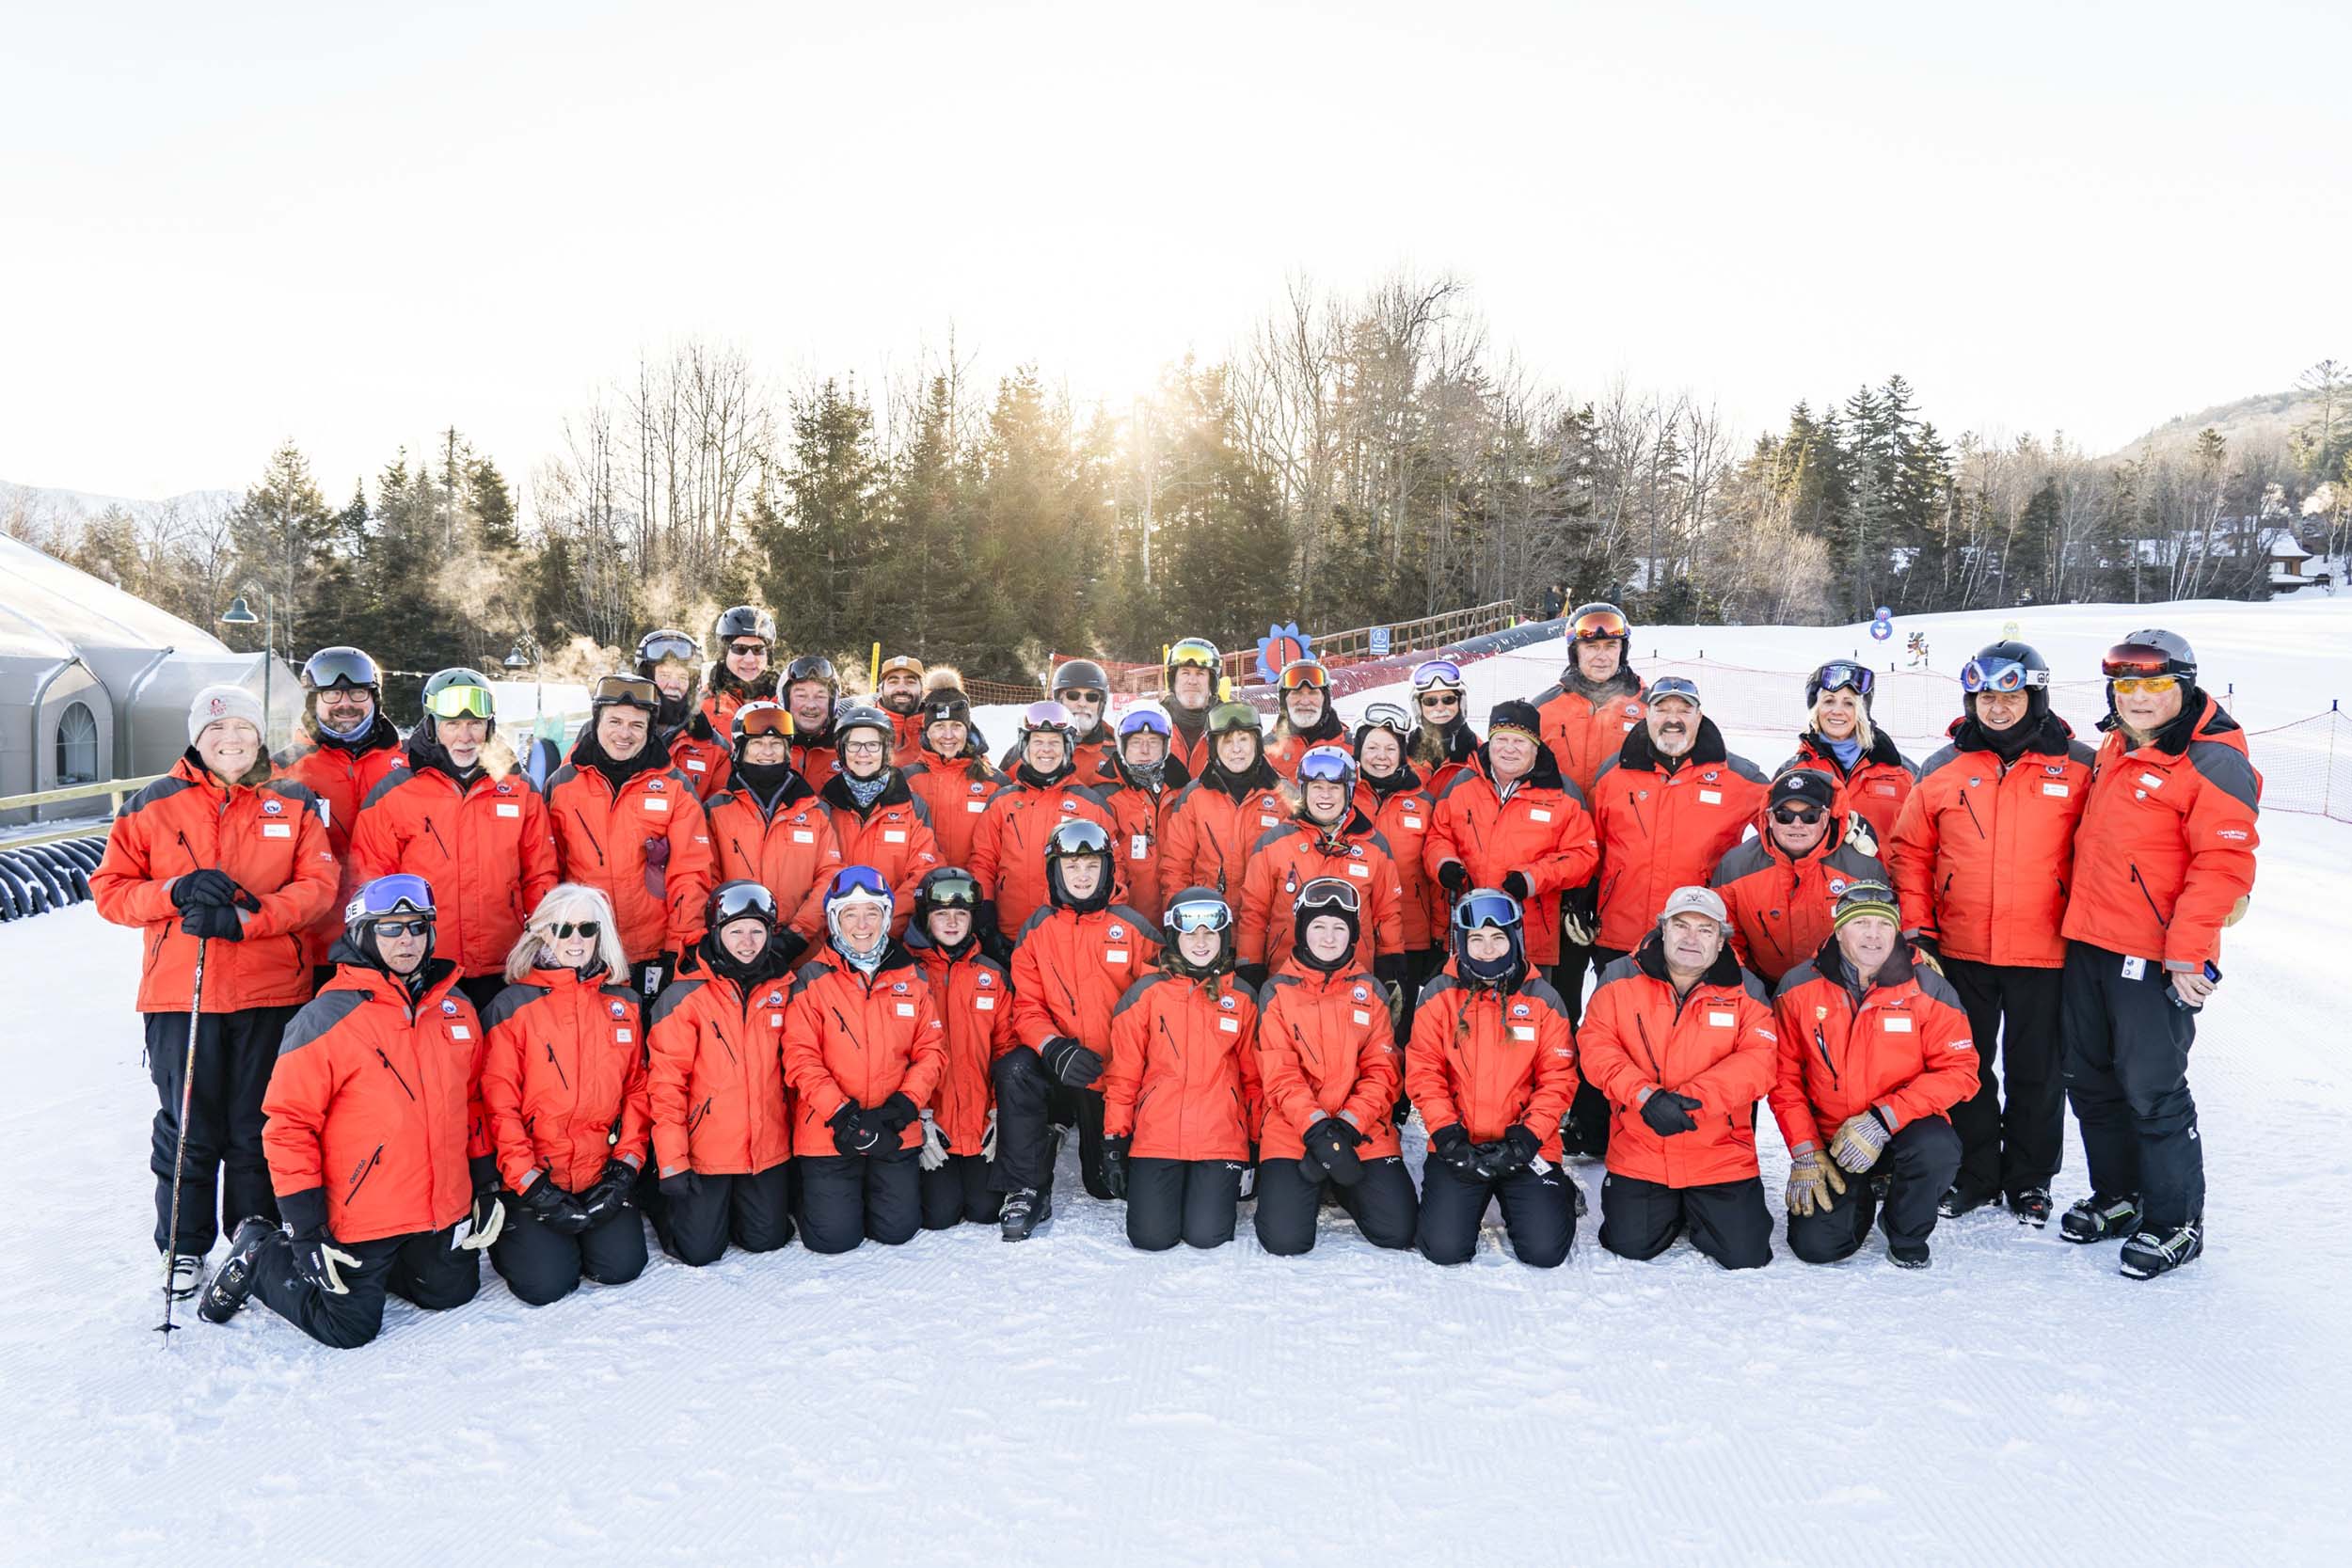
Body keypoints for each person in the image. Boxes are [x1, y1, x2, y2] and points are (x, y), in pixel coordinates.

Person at [93, 683, 338, 1296]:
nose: (230, 742)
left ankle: (252, 1237)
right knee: (188, 1127)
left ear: (259, 736)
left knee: (257, 1126)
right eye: (216, 732)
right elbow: (110, 890)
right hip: (184, 995)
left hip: (271, 991)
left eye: (243, 731)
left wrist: (246, 919)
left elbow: (318, 887)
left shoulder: (294, 800)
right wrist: (171, 894)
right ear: (197, 738)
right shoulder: (154, 803)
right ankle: (182, 1243)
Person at [193, 875, 488, 1345]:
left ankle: (389, 1264)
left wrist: (484, 1181)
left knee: (451, 1293)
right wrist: (306, 1228)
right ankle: (260, 1252)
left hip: (435, 1206)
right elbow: (289, 1127)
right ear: (364, 935)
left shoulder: (454, 1008)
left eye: (417, 927)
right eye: (390, 928)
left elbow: (472, 1102)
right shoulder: (325, 1018)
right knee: (348, 1328)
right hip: (359, 1212)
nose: (406, 939)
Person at [2055, 629, 2259, 1277]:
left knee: (2151, 1089)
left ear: (2185, 686)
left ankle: (2176, 1221)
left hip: (2153, 952)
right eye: (2126, 686)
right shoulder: (2118, 743)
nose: (2138, 698)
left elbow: (2224, 865)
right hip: (2089, 940)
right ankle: (2120, 1194)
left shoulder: (2212, 760)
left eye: (2153, 685)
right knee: (2090, 1080)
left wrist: (2187, 953)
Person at [1883, 640, 2091, 1225]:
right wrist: (1918, 930)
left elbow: (2105, 848)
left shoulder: (2079, 765)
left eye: (2011, 695)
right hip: (1960, 946)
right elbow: (1910, 852)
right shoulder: (1943, 767)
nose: (1997, 707)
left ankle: (2029, 1179)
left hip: (2045, 948)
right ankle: (1974, 1173)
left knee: (2038, 1072)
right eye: (1984, 697)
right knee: (1964, 1065)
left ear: (2036, 696)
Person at [1771, 880, 1977, 1269]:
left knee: (1937, 1146)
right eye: (1860, 923)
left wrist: (1883, 1119)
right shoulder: (1798, 987)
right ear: (1838, 930)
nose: (1872, 935)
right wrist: (1805, 1151)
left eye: (1883, 925)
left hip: (1903, 1127)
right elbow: (1783, 1079)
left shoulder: (1929, 988)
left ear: (1897, 930)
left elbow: (1961, 1070)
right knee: (1817, 1248)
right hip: (1835, 1139)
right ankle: (1860, 1195)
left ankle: (1905, 1231)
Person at [1578, 887, 1777, 1270]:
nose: (1690, 938)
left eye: (1705, 930)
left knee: (1744, 1255)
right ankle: (1671, 1209)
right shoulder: (1619, 976)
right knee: (1630, 1245)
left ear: (1721, 941)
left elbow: (1760, 1061)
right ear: (1662, 930)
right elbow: (1596, 1046)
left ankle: (1696, 1208)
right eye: (1681, 925)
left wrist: (1692, 1101)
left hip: (1719, 1151)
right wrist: (1645, 1097)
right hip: (1641, 1144)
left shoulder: (1747, 989)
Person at [348, 667, 560, 1013]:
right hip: (424, 964)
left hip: (502, 964)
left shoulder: (519, 789)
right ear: (432, 727)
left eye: (475, 724)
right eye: (452, 724)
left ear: (489, 727)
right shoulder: (394, 792)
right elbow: (371, 882)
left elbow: (541, 876)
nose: (466, 736)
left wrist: (543, 944)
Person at [477, 884, 650, 1306]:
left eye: (587, 928)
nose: (576, 939)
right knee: (546, 1286)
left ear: (600, 934)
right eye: (563, 928)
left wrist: (624, 1170)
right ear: (542, 932)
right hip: (536, 1176)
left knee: (621, 1268)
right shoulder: (511, 1006)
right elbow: (498, 1106)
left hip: (598, 1172)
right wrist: (532, 1186)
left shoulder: (623, 1004)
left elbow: (638, 1092)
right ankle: (524, 1232)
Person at [994, 819, 1162, 1239]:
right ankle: (1027, 1186)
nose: (1082, 876)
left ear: (1107, 870)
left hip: (1113, 1074)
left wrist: (1126, 1068)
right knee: (1015, 1068)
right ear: (1055, 871)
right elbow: (1027, 1007)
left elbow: (1159, 1011)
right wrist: (1053, 1048)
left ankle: (1072, 1132)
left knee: (1104, 1187)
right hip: (1061, 1060)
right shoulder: (1036, 930)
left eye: (1091, 866)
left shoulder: (1134, 929)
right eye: (1072, 867)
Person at [1406, 888, 1579, 1268]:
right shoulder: (1439, 995)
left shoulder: (1543, 999)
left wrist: (1528, 1139)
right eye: (1477, 939)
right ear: (1462, 942)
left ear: (1515, 939)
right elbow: (1424, 1071)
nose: (1488, 949)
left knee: (1544, 1252)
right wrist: (1448, 1136)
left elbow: (1559, 1079)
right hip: (1459, 1144)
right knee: (1443, 1249)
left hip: (1525, 1145)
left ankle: (1557, 1193)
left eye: (1498, 938)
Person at [781, 866, 949, 1253]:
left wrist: (903, 1107)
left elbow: (931, 1050)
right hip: (829, 1131)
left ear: (887, 917)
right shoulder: (811, 978)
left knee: (897, 1231)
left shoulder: (912, 978)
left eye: (872, 912)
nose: (862, 924)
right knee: (834, 1239)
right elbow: (800, 1056)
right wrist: (842, 1114)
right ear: (834, 920)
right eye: (850, 914)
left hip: (894, 1127)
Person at [1251, 878, 1416, 1255]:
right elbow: (1279, 1075)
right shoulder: (1276, 991)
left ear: (1353, 934)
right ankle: (1319, 1175)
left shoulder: (1370, 990)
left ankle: (1338, 1180)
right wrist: (1318, 1131)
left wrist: (1347, 1127)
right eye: (1319, 927)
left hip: (1362, 1129)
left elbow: (1383, 1070)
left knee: (1398, 1231)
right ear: (1302, 931)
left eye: (1340, 928)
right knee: (1285, 1240)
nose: (1329, 938)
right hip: (1292, 1130)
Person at [644, 881, 800, 1265]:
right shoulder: (684, 998)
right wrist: (671, 1161)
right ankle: (655, 1198)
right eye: (736, 931)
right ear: (716, 934)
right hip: (705, 1150)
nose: (747, 942)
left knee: (766, 1240)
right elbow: (665, 1085)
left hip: (766, 1149)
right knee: (698, 1252)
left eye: (757, 931)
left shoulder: (784, 989)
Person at [1101, 888, 1262, 1252]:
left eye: (1210, 933)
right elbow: (1123, 1074)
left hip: (1219, 1139)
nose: (1201, 942)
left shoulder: (1242, 999)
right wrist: (1114, 1139)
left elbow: (1254, 1081)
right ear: (1175, 937)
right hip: (1157, 1135)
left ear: (1224, 937)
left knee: (1207, 1236)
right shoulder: (1145, 995)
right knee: (1151, 1238)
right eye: (1191, 934)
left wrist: (1255, 1145)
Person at [1423, 699, 1599, 1027]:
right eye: (1501, 739)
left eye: (1520, 741)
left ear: (1535, 746)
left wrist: (1532, 878)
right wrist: (1443, 863)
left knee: (1529, 1024)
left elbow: (1583, 856)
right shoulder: (1463, 785)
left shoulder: (1562, 792)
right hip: (1471, 930)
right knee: (1470, 1021)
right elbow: (1437, 837)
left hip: (1531, 933)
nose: (1509, 749)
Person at [545, 673, 714, 1004]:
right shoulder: (563, 785)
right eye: (615, 721)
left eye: (637, 725)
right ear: (597, 722)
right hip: (582, 943)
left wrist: (676, 948)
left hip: (648, 947)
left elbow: (691, 874)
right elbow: (546, 868)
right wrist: (552, 937)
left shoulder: (675, 787)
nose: (624, 734)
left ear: (650, 729)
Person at [274, 645, 405, 983]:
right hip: (311, 949)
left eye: (358, 692)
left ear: (374, 698)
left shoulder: (410, 766)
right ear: (313, 700)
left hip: (393, 942)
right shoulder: (280, 771)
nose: (345, 704)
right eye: (332, 693)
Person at [1236, 745, 1406, 995]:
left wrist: (1391, 971)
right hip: (1287, 980)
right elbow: (1254, 913)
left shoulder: (1373, 845)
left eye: (1334, 788)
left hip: (1355, 982)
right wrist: (1250, 967)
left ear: (1348, 792)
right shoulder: (1274, 843)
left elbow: (1387, 914)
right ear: (1304, 792)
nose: (1325, 796)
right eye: (1316, 787)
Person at [1708, 768, 1886, 988]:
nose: (1797, 824)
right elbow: (1726, 939)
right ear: (1770, 818)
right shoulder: (1736, 866)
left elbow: (1881, 940)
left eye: (1809, 816)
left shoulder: (1862, 869)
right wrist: (1749, 988)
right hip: (1764, 984)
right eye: (1785, 816)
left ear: (1825, 817)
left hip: (1840, 988)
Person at [905, 867, 1013, 1229]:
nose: (951, 923)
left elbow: (1006, 1050)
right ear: (925, 917)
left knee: (984, 1211)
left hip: (978, 1122)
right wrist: (916, 1117)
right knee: (939, 1215)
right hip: (932, 1123)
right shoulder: (907, 975)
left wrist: (1001, 1113)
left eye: (961, 914)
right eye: (941, 915)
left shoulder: (992, 975)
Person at [701, 699, 837, 966]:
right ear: (740, 750)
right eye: (757, 744)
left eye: (776, 744)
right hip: (737, 949)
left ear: (788, 751)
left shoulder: (814, 810)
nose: (768, 752)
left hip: (802, 951)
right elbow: (708, 876)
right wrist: (737, 932)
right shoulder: (717, 809)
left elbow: (829, 875)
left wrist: (797, 935)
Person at [970, 700, 1117, 947]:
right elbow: (983, 862)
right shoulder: (1002, 802)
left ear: (1067, 747)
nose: (1046, 750)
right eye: (1038, 742)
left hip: (1068, 937)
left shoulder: (1090, 804)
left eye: (1054, 742)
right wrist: (985, 913)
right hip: (1010, 932)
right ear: (1025, 747)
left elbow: (1114, 870)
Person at [1353, 703, 1445, 1039]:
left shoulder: (1422, 802)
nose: (1381, 756)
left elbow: (1434, 879)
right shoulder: (1341, 797)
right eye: (1372, 747)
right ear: (1358, 749)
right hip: (1353, 937)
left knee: (1400, 1031)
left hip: (1410, 937)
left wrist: (1439, 934)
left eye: (1390, 748)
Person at [818, 705, 942, 936]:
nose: (863, 753)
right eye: (854, 745)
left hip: (893, 932)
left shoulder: (912, 806)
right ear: (841, 750)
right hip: (834, 932)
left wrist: (883, 917)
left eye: (872, 745)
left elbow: (923, 870)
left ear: (886, 750)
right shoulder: (825, 806)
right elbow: (816, 874)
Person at [1159, 701, 1288, 898]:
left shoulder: (1283, 796)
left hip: (1262, 918)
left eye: (1243, 739)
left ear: (1257, 743)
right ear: (1214, 748)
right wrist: (1179, 918)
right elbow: (1176, 867)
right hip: (1209, 918)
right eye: (1227, 741)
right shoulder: (1194, 796)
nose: (1236, 749)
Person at [1782, 660, 1916, 849]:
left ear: (1862, 710)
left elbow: (1920, 845)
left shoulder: (1903, 773)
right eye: (1829, 701)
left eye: (1849, 703)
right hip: (1817, 878)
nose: (1837, 711)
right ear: (1816, 709)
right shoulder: (1794, 773)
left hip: (1880, 878)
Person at [1534, 603, 1647, 799]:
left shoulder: (1650, 709)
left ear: (1622, 650)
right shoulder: (1543, 709)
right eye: (1591, 647)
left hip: (1623, 823)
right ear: (1575, 652)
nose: (1601, 657)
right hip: (1564, 823)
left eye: (1611, 646)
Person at [1096, 705, 1190, 923]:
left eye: (1153, 743)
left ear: (1166, 747)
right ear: (1123, 746)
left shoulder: (1184, 794)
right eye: (1136, 742)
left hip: (1178, 921)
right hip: (1125, 922)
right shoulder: (1105, 797)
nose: (1144, 751)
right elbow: (1106, 869)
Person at [900, 687, 1006, 871]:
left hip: (976, 890)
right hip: (921, 887)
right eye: (939, 726)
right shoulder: (906, 779)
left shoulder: (995, 782)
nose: (948, 736)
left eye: (956, 726)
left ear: (968, 730)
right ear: (927, 731)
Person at [637, 627, 730, 802]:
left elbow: (720, 815)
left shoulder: (715, 748)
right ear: (647, 677)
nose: (674, 685)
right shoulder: (613, 732)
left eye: (682, 677)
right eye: (664, 675)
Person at [1000, 659, 1119, 787]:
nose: (1082, 704)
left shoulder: (1116, 753)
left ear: (1101, 704)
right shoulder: (1026, 751)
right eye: (1073, 696)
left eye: (1092, 697)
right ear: (1058, 699)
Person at [1263, 658, 1348, 779]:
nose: (1304, 701)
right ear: (1284, 700)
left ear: (1325, 699)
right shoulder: (1264, 752)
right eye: (1296, 693)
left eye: (1313, 693)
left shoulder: (1352, 748)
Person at [1406, 658, 1479, 793]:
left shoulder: (1479, 754)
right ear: (1418, 707)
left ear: (1460, 703)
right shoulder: (1401, 752)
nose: (1440, 708)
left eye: (1448, 699)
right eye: (1430, 701)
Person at [705, 606, 780, 734]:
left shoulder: (785, 701)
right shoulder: (701, 703)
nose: (750, 659)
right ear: (724, 652)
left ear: (768, 654)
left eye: (758, 649)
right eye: (740, 649)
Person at [1161, 637, 1223, 777]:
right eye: (1185, 673)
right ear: (1173, 680)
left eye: (1200, 673)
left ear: (1211, 682)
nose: (1192, 681)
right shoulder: (1155, 722)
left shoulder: (1228, 725)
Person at [782, 654, 842, 780]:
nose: (811, 705)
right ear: (786, 700)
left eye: (820, 696)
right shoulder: (770, 746)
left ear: (832, 703)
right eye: (801, 696)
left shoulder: (846, 748)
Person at [874, 654, 929, 764]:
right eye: (893, 682)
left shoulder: (936, 729)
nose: (901, 689)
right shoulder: (864, 726)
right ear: (881, 689)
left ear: (922, 691)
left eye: (910, 682)